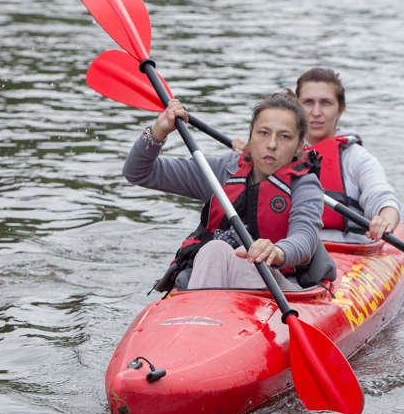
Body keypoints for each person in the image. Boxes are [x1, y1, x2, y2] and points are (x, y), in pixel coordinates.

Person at [123, 90, 334, 291]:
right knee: (215, 248)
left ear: (299, 146)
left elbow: (305, 238)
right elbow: (139, 172)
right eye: (263, 133)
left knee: (247, 259)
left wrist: (278, 251)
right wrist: (158, 131)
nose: (271, 144)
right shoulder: (221, 171)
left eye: (284, 137)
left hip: (280, 287)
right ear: (251, 137)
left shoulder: (306, 185)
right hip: (213, 280)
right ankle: (199, 318)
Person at [233, 68, 400, 243]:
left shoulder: (358, 158)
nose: (316, 112)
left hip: (347, 250)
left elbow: (382, 197)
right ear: (296, 107)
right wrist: (252, 154)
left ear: (340, 110)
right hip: (286, 249)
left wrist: (385, 220)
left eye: (326, 103)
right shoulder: (273, 152)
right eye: (308, 102)